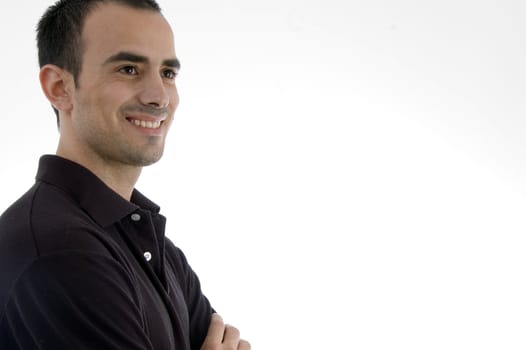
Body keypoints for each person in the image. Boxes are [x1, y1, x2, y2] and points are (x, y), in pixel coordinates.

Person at [0, 0, 250, 349]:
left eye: (168, 73)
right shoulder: (61, 252)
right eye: (129, 69)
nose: (158, 96)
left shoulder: (152, 245)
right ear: (60, 87)